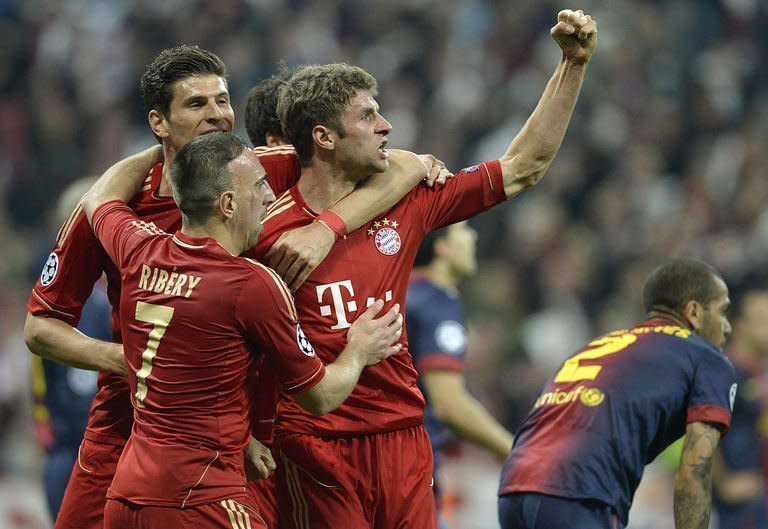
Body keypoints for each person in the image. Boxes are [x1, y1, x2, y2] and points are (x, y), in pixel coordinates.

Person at [24, 44, 440, 529]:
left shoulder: (260, 170)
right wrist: (135, 361)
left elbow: (403, 164)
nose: (218, 115)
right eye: (196, 104)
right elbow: (40, 329)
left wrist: (326, 226)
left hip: (239, 430)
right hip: (126, 421)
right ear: (159, 121)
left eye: (222, 100)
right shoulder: (119, 205)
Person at [247, 9, 598, 528]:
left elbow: (524, 167)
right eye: (367, 117)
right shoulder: (267, 233)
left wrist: (572, 64)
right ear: (323, 138)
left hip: (405, 436)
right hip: (315, 442)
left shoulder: (409, 200)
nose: (386, 125)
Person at [79, 132, 403, 528]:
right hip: (201, 498)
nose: (270, 197)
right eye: (261, 186)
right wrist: (358, 350)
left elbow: (98, 198)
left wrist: (160, 150)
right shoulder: (251, 285)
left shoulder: (138, 249)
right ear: (228, 204)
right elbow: (321, 395)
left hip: (126, 498)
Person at [498, 258, 737, 529]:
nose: (727, 327)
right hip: (580, 495)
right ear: (694, 311)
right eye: (723, 311)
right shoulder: (706, 358)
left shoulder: (598, 345)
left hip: (513, 488)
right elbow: (695, 470)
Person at [407, 221, 514, 526]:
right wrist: (517, 452)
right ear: (442, 248)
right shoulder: (437, 302)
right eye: (464, 230)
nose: (473, 236)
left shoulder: (400, 291)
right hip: (410, 463)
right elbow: (449, 404)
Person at [712, 290, 768, 529]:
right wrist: (724, 483)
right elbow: (700, 432)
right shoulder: (723, 374)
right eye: (763, 320)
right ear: (740, 325)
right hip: (741, 507)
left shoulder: (762, 372)